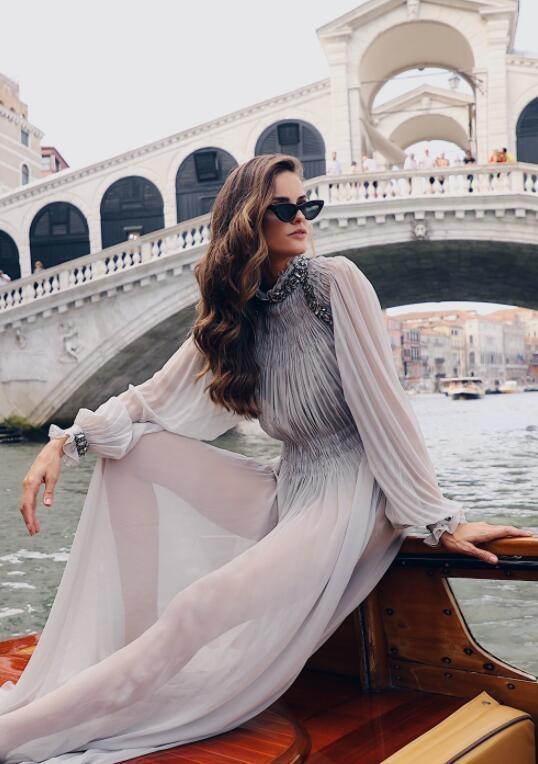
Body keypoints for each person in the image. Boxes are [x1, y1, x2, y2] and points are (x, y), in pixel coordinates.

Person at [2, 154, 534, 763]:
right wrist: (64, 443)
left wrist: (438, 519)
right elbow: (152, 398)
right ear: (249, 218)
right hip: (290, 485)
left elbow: (386, 407)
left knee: (197, 605)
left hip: (350, 496)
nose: (301, 218)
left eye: (307, 206)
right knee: (135, 450)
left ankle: (17, 735)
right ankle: (128, 651)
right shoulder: (240, 310)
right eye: (284, 208)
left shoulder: (334, 282)